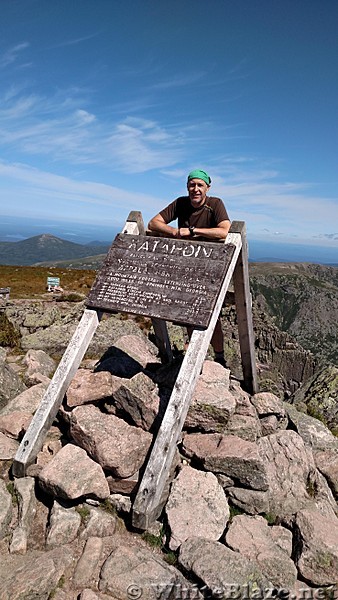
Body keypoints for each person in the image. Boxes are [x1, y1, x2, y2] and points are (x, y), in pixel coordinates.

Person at [148, 169, 231, 367]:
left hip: (211, 267)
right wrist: (174, 232)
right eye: (192, 185)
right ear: (187, 187)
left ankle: (219, 357)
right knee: (188, 313)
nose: (195, 189)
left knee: (212, 316)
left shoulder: (215, 204)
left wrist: (194, 231)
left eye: (200, 185)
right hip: (185, 266)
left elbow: (225, 230)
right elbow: (154, 222)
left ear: (207, 188)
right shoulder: (180, 203)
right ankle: (196, 356)